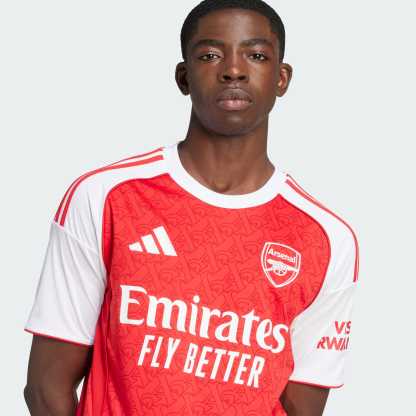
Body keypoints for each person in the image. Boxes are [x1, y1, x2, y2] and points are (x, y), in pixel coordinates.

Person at [24, 0, 360, 415]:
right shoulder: (107, 197)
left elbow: (302, 409)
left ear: (282, 78)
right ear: (183, 77)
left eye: (256, 55)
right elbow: (46, 388)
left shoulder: (326, 238)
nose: (233, 70)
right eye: (210, 55)